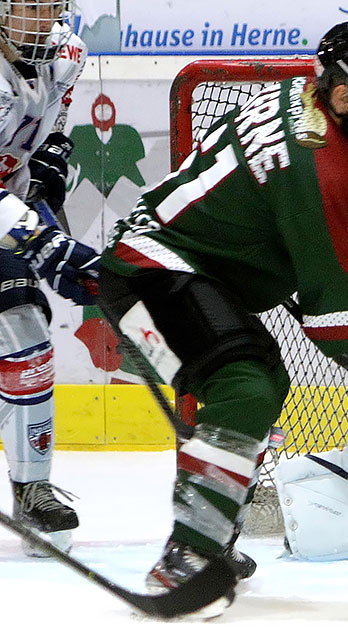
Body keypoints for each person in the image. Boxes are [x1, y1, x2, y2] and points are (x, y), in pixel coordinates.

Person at [96, 17, 348, 612]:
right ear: (340, 95)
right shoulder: (329, 169)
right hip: (149, 274)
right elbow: (332, 319)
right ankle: (188, 557)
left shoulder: (293, 98)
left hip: (184, 267)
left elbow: (269, 231)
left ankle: (211, 531)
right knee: (246, 387)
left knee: (266, 381)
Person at [0, 0, 98, 556]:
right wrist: (42, 241)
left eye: (49, 6)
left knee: (27, 341)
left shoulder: (66, 53)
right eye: (27, 6)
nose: (41, 19)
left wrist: (49, 169)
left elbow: (49, 131)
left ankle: (32, 486)